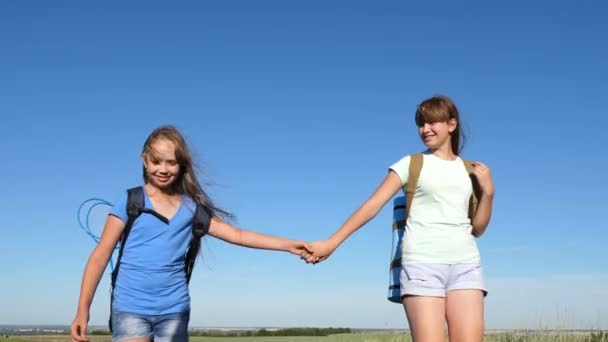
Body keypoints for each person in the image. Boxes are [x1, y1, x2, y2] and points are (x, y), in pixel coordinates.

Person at [71, 125, 311, 342]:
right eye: (156, 161)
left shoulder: (191, 209)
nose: (163, 169)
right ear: (144, 161)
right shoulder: (130, 200)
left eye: (171, 162)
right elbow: (100, 256)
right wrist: (83, 310)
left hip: (174, 312)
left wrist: (288, 245)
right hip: (130, 308)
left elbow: (237, 235)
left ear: (182, 164)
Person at [303, 95, 495, 342]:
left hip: (466, 265)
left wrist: (488, 192)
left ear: (451, 124)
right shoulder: (411, 164)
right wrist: (332, 242)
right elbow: (371, 206)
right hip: (422, 265)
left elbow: (477, 228)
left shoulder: (471, 170)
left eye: (431, 122)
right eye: (421, 124)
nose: (425, 129)